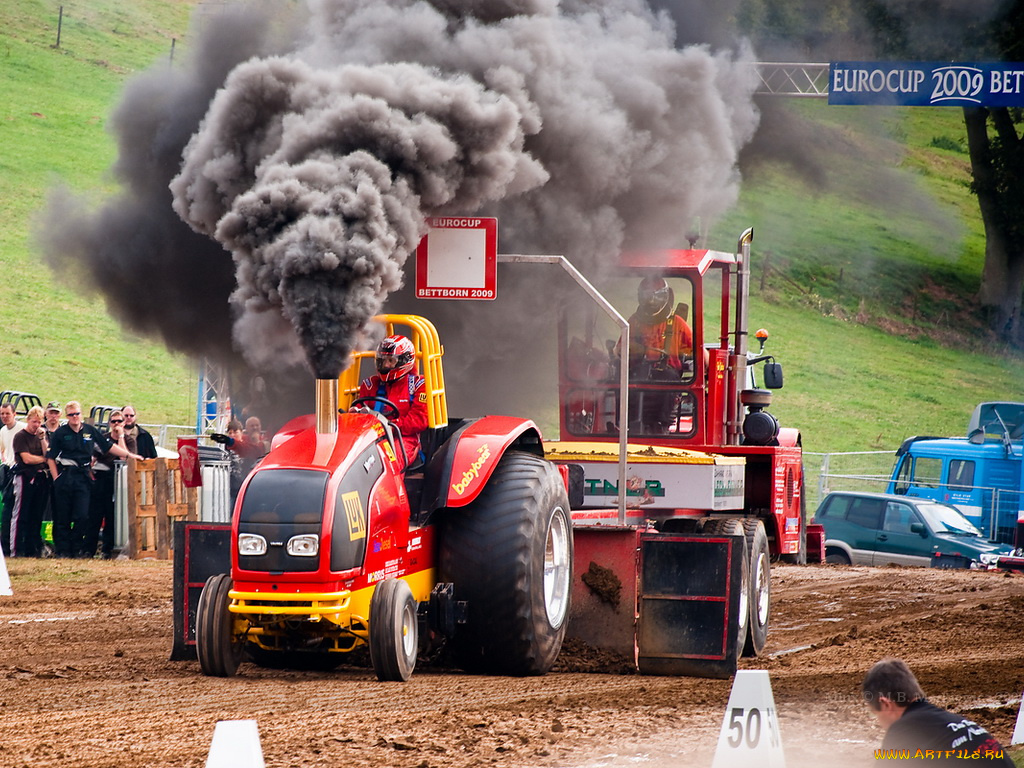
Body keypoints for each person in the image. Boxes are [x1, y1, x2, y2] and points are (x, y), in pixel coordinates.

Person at [862, 658, 1014, 766]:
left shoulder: (905, 729)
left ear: (885, 703)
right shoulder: (950, 721)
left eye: (876, 714)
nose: (880, 723)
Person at [47, 402, 141, 558]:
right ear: (67, 416)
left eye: (77, 414)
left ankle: (77, 548)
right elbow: (50, 457)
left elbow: (108, 446)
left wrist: (131, 456)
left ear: (81, 414)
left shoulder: (90, 431)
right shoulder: (60, 433)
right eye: (71, 415)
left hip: (83, 476)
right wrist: (56, 478)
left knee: (82, 515)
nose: (74, 417)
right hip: (66, 474)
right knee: (63, 515)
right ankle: (63, 550)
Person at [615, 277, 696, 433]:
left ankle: (662, 425)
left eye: (655, 296)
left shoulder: (677, 323)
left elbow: (697, 350)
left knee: (669, 378)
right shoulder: (633, 322)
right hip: (638, 370)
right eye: (646, 296)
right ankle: (628, 422)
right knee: (625, 377)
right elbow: (620, 349)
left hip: (667, 375)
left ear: (664, 296)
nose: (651, 301)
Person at [355, 334, 428, 466]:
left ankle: (391, 486)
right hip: (371, 437)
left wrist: (388, 426)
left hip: (403, 438)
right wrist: (353, 414)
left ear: (404, 360)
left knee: (390, 462)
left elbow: (418, 421)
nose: (385, 365)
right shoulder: (370, 384)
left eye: (390, 360)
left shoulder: (418, 385)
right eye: (382, 360)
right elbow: (359, 416)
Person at [84, 409, 128, 560]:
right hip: (101, 479)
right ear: (109, 423)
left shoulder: (129, 440)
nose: (116, 424)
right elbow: (92, 457)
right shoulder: (103, 438)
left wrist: (120, 435)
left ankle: (108, 550)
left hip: (118, 480)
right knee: (94, 516)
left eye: (119, 421)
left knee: (112, 516)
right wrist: (90, 474)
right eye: (113, 421)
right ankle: (88, 549)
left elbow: (123, 456)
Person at [10, 406, 49, 557]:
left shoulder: (41, 437)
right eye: (34, 422)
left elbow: (48, 453)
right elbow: (26, 458)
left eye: (39, 422)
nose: (36, 426)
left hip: (40, 478)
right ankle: (16, 549)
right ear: (28, 420)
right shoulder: (21, 436)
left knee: (36, 514)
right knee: (21, 514)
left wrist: (42, 440)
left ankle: (32, 549)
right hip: (25, 476)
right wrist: (43, 459)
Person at [0, 403, 26, 556]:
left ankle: (15, 547)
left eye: (7, 413)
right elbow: (3, 449)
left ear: (14, 414)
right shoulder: (3, 430)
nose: (4, 416)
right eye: (2, 414)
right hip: (8, 472)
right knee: (8, 510)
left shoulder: (21, 428)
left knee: (16, 511)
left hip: (19, 471)